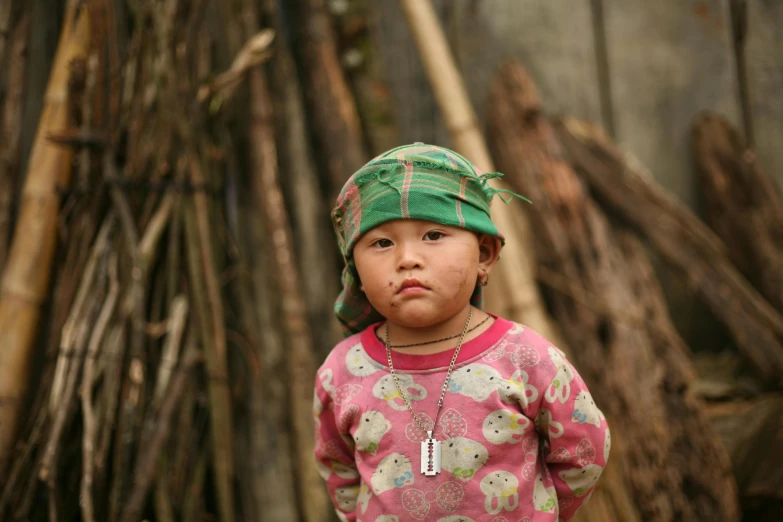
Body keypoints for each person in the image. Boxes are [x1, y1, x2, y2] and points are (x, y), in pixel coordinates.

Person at [313, 143, 609, 522]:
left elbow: (585, 452)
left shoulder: (526, 358)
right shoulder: (342, 371)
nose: (407, 259)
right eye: (382, 242)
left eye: (434, 235)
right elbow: (338, 468)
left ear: (484, 254)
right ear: (354, 268)